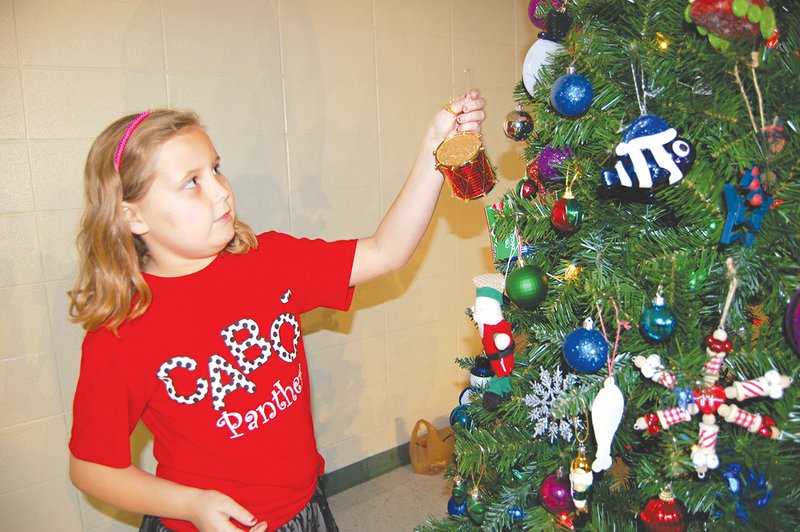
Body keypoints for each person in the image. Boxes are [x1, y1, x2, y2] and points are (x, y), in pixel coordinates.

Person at [67, 90, 486, 532]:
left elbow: (387, 251)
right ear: (133, 217)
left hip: (304, 508)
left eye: (215, 169)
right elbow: (91, 467)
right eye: (192, 182)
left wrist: (434, 151)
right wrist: (190, 504)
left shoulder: (270, 261)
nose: (221, 191)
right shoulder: (123, 331)